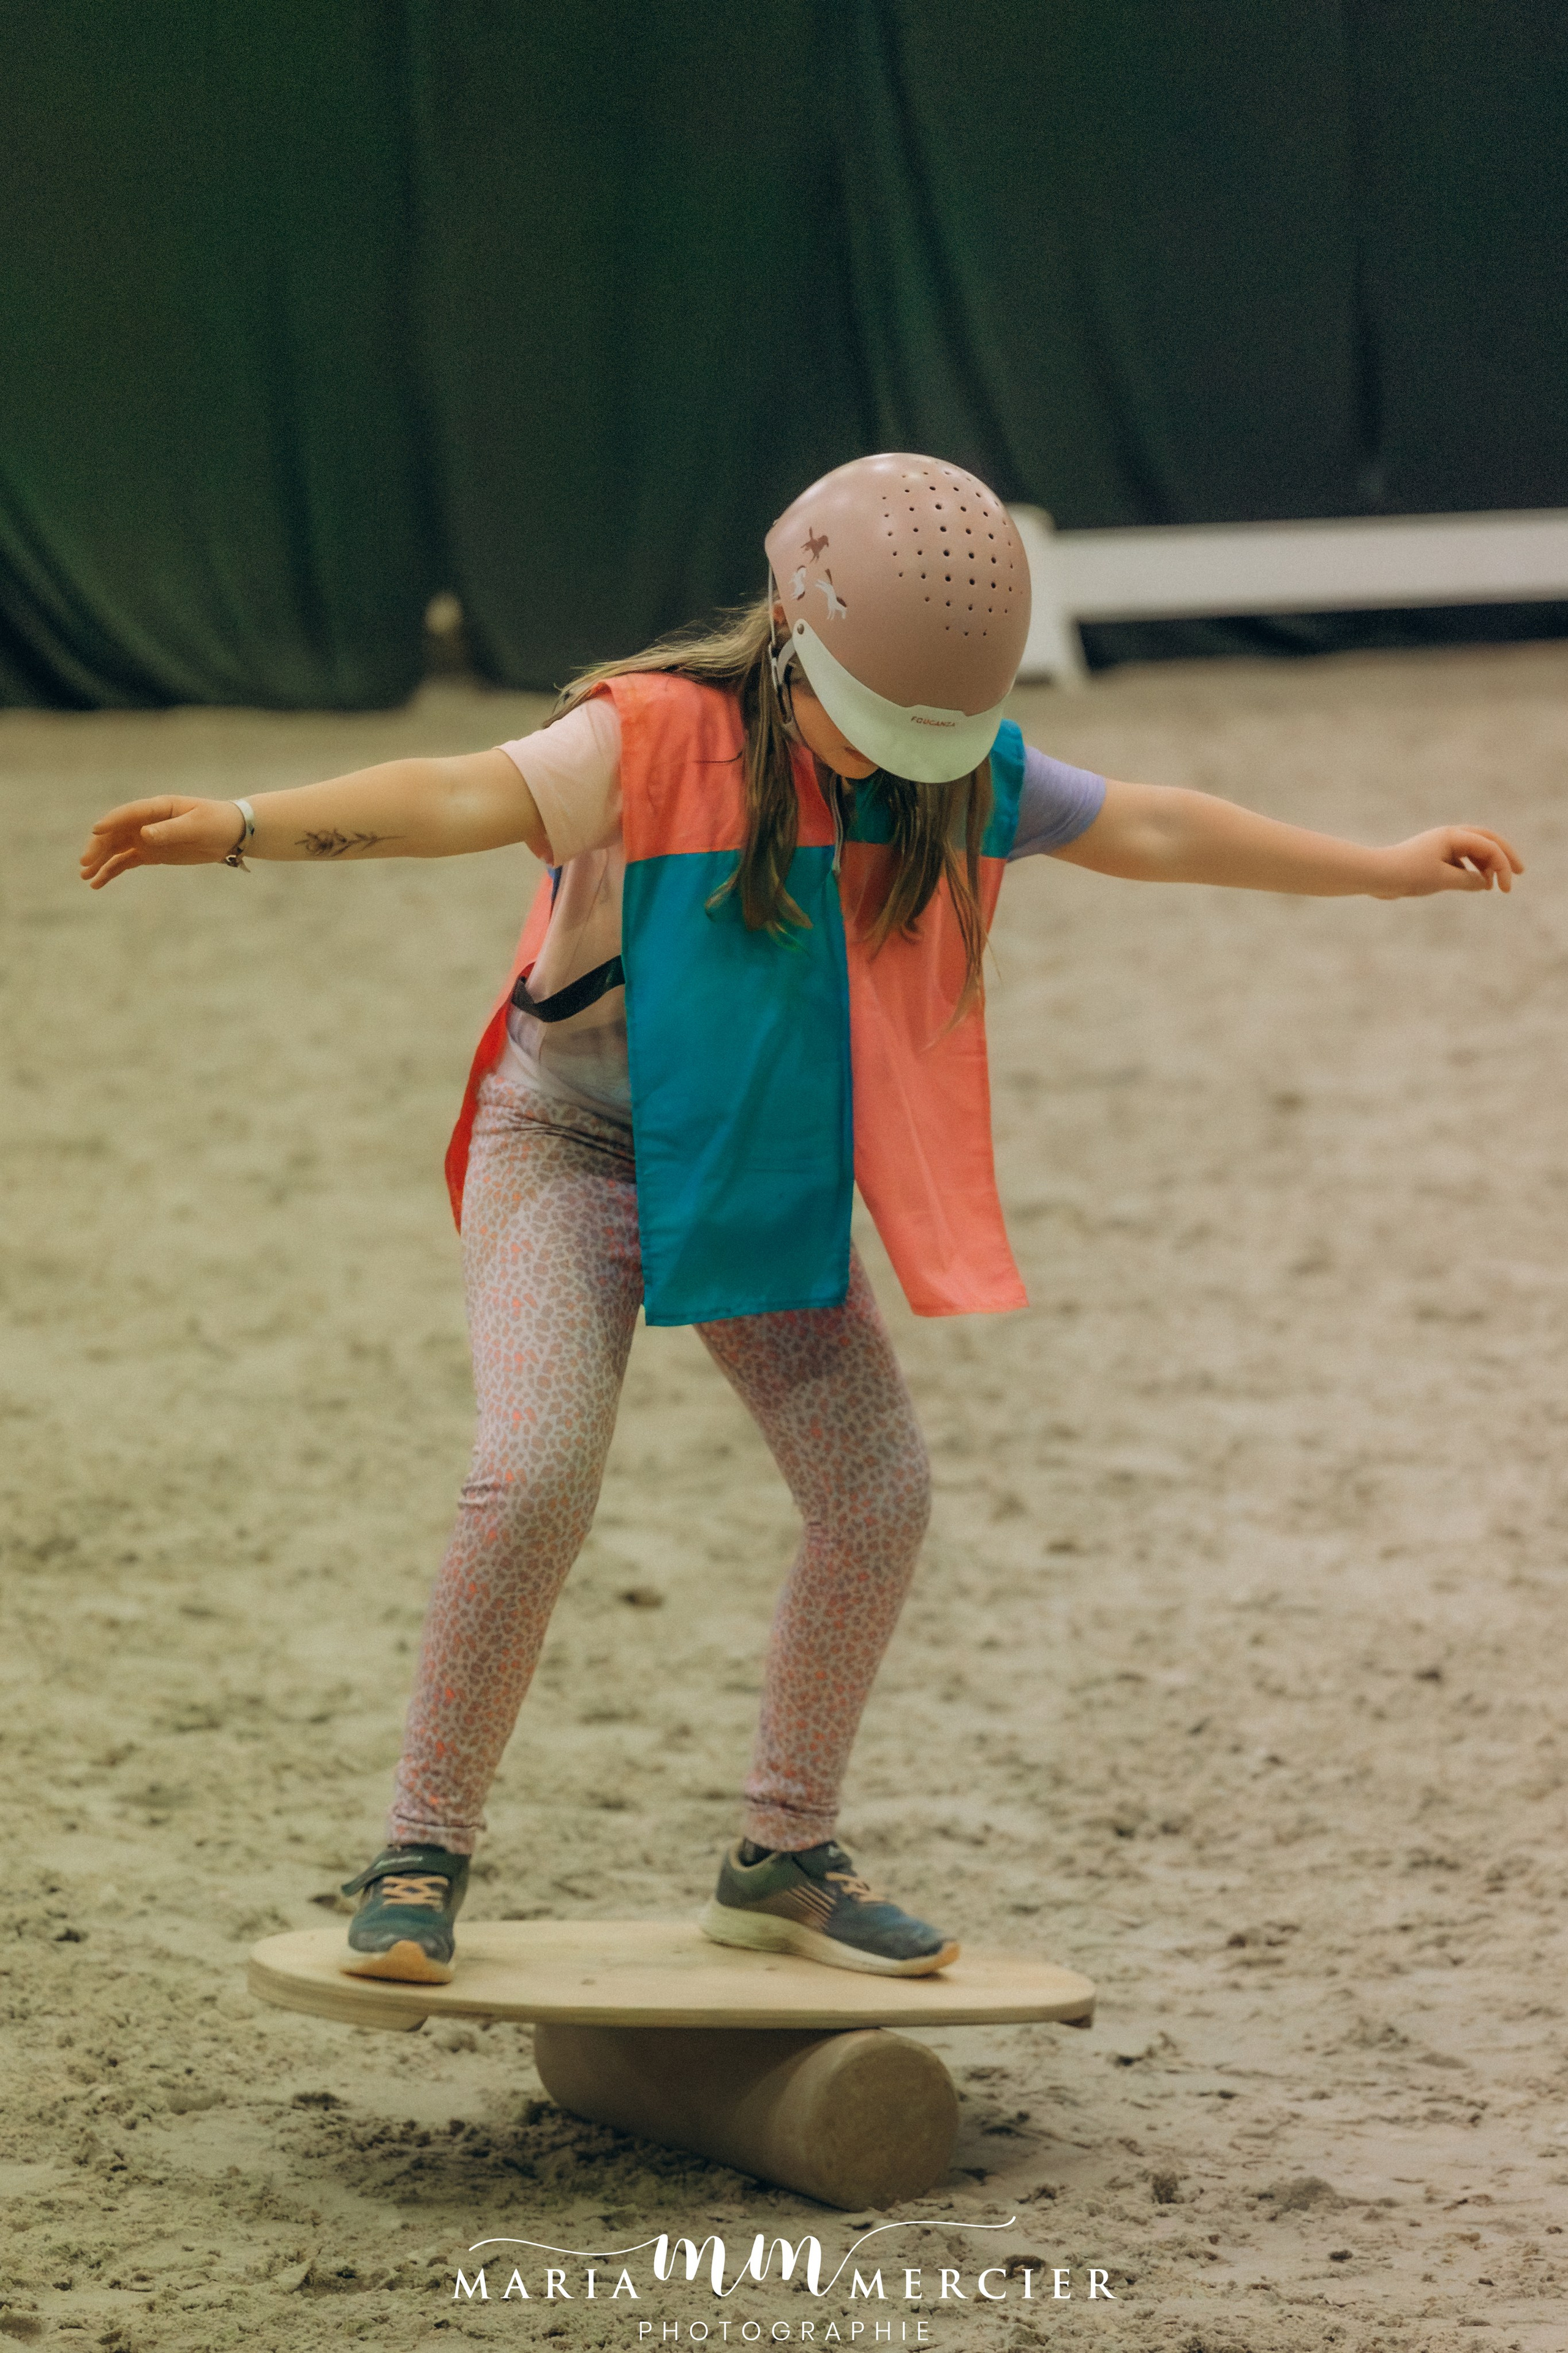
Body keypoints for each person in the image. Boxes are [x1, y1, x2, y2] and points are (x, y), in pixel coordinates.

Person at [81, 453, 1521, 1990]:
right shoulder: (641, 742)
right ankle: (418, 1850)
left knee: (877, 1494)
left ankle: (781, 1857)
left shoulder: (957, 771)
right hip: (564, 1147)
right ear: (788, 630)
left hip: (753, 1162)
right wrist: (241, 823)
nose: (906, 761)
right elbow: (452, 794)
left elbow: (1150, 827)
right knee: (533, 1469)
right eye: (879, 723)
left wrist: (1375, 873)